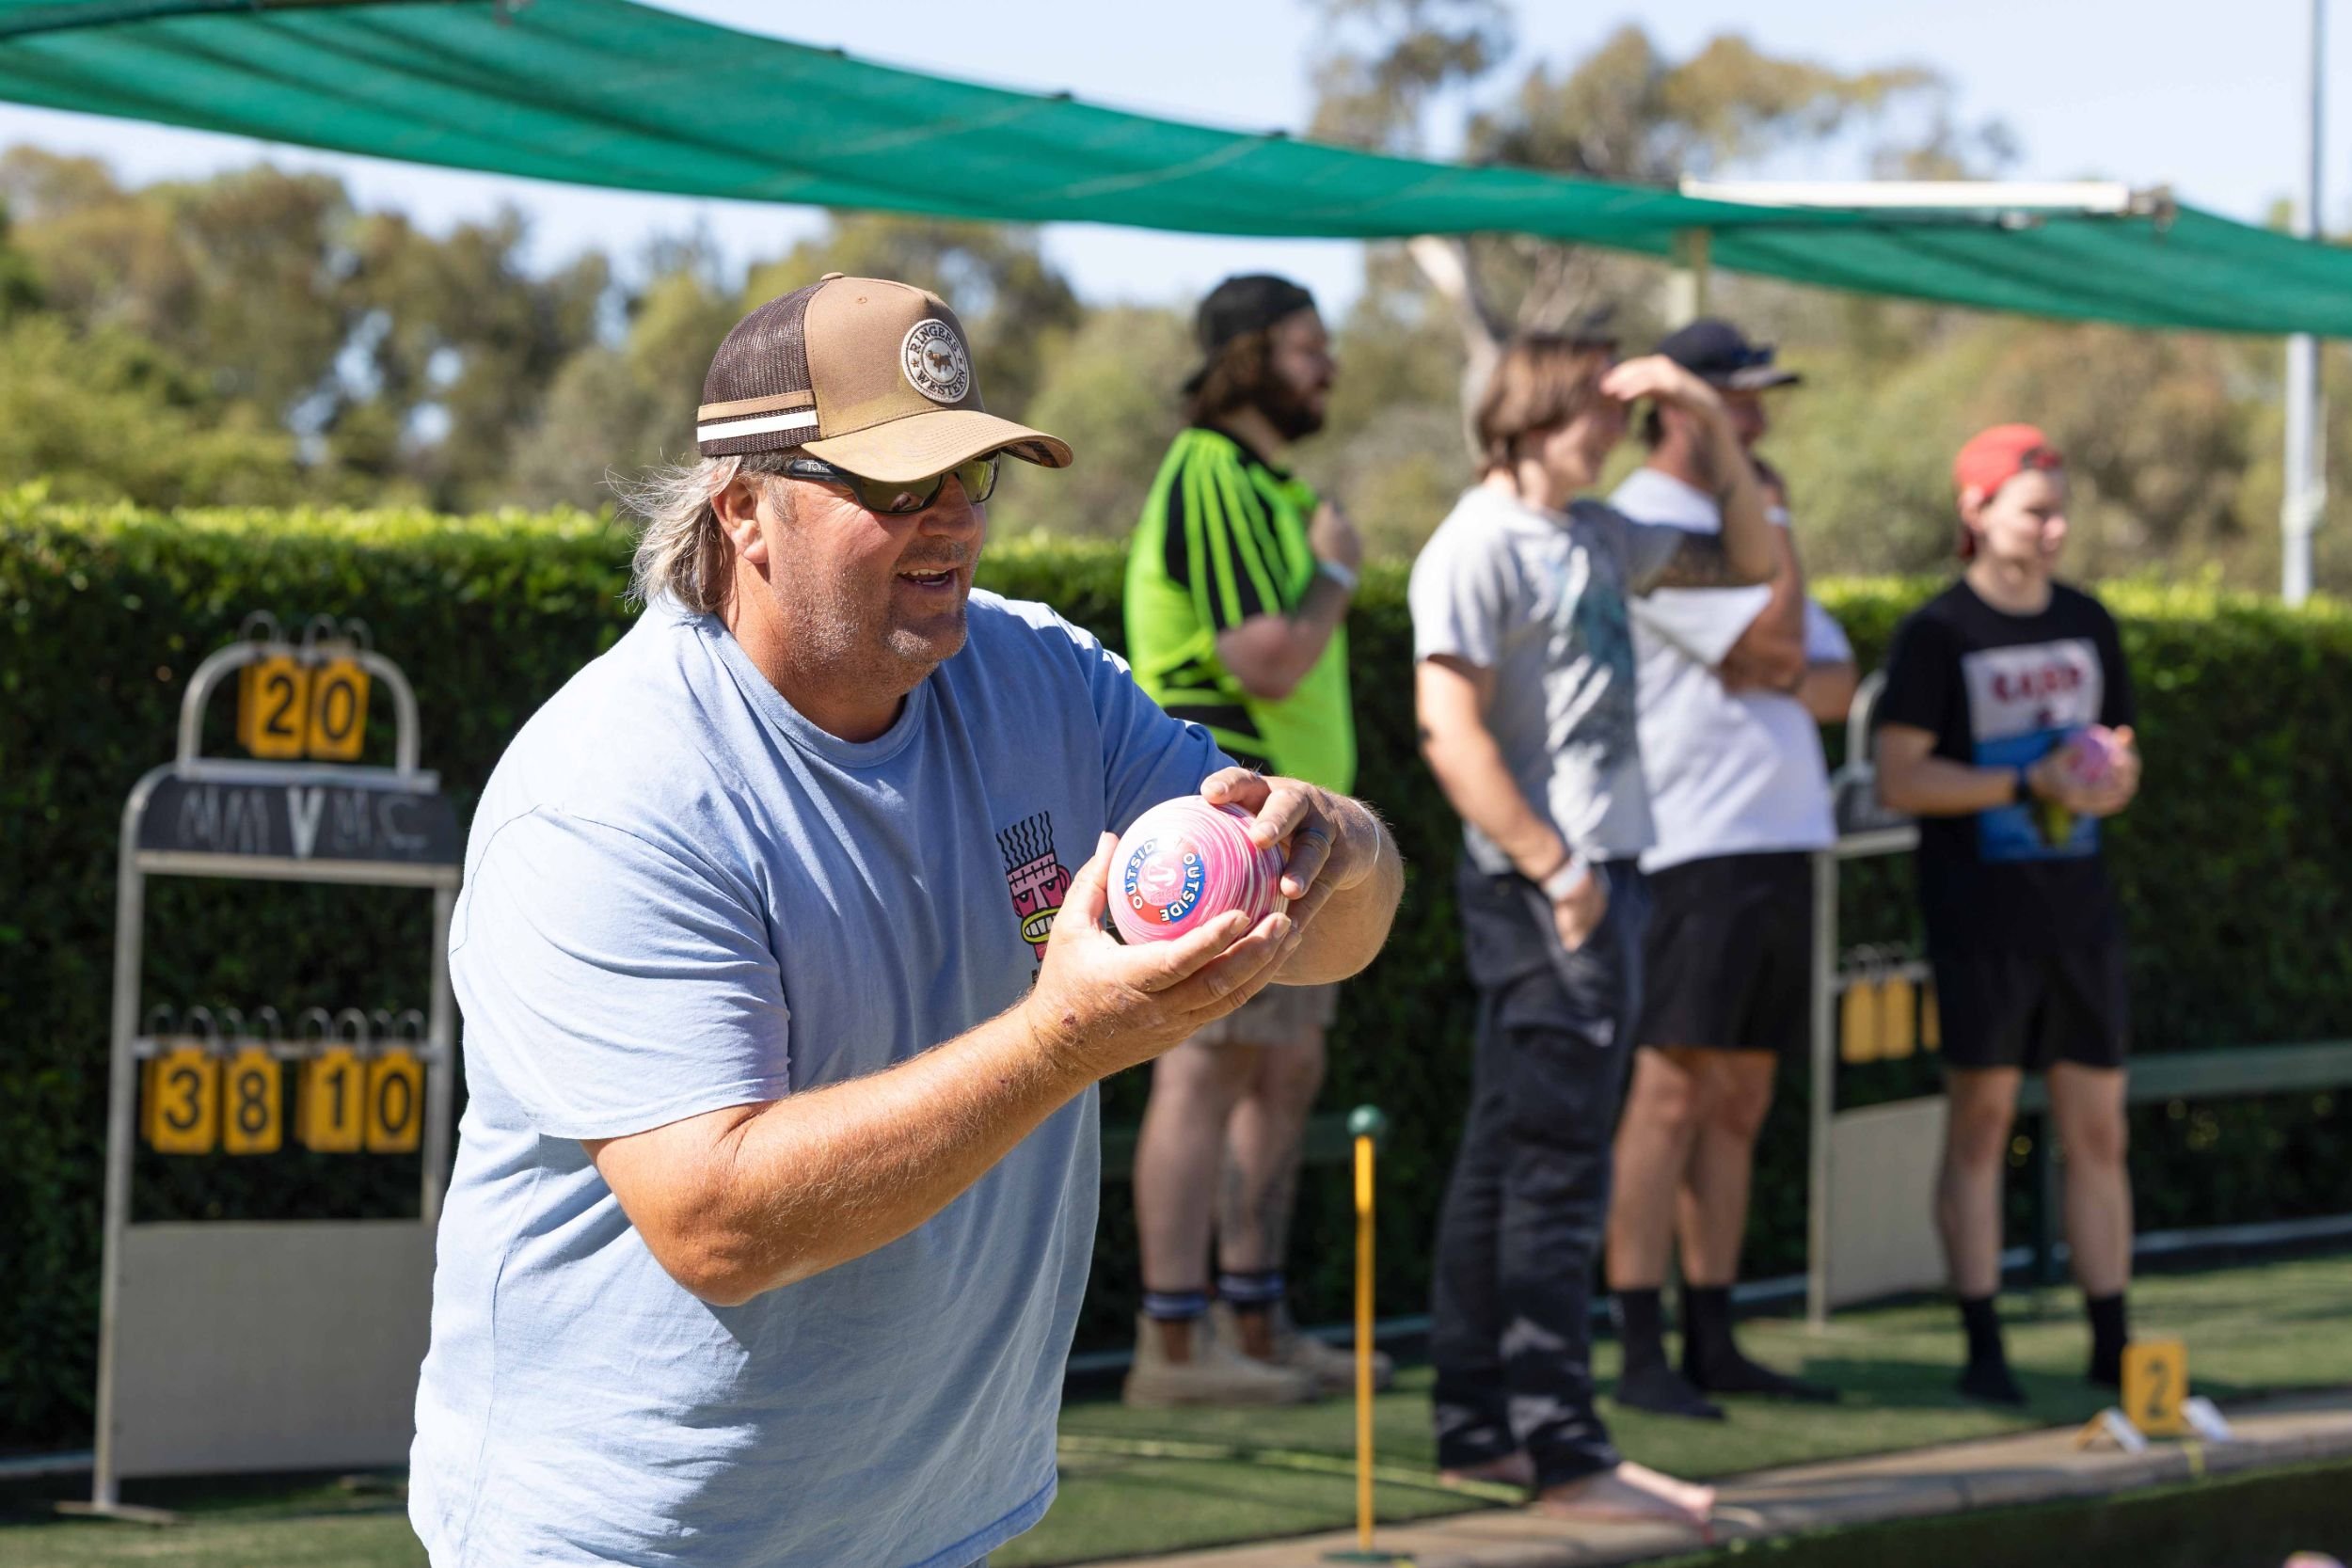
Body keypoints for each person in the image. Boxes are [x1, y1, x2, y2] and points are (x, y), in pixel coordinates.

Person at [405, 274, 1404, 1568]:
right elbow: (719, 1221)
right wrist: (1064, 1039)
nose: (947, 520)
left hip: (936, 1521)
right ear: (745, 508)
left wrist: (1330, 840)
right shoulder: (610, 788)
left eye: (968, 477)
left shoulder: (1045, 680)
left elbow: (1346, 929)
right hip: (632, 1540)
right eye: (891, 485)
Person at [1410, 331, 1780, 1527]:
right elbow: (1447, 731)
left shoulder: (1598, 533)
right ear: (1530, 411)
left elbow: (1752, 561)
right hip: (1547, 891)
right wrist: (1557, 868)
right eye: (1597, 407)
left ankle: (1477, 1428)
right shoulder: (1474, 544)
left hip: (1600, 877)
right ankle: (1566, 1446)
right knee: (1557, 1171)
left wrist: (1701, 416)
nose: (1615, 428)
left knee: (1500, 1156)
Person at [1120, 274, 1377, 1405]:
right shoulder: (1213, 471)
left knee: (1281, 1065)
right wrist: (1333, 574)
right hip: (1228, 811)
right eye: (1305, 346)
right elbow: (1267, 657)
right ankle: (1171, 1348)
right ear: (1245, 358)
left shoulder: (1266, 484)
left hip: (1288, 821)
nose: (1326, 367)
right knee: (1209, 1065)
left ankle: (1252, 1324)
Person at [1604, 320, 1856, 1419]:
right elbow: (1775, 653)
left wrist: (1771, 543)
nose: (1756, 423)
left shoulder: (1744, 515)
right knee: (1667, 1095)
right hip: (1690, 841)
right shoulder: (1646, 516)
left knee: (1742, 1096)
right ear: (1680, 408)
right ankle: (1639, 1343)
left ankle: (1715, 1332)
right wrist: (1780, 528)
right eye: (1736, 401)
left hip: (1782, 836)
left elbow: (1835, 681)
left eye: (1760, 402)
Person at [1873, 424, 2142, 1404]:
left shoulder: (2089, 619)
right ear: (1976, 511)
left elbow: (2120, 751)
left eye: (2060, 506)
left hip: (2079, 913)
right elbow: (1899, 776)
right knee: (1981, 1123)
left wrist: (2109, 781)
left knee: (2097, 1128)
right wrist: (2021, 780)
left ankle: (2111, 1338)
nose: (2054, 525)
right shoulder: (1936, 632)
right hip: (1978, 915)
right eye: (2036, 507)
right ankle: (1982, 1341)